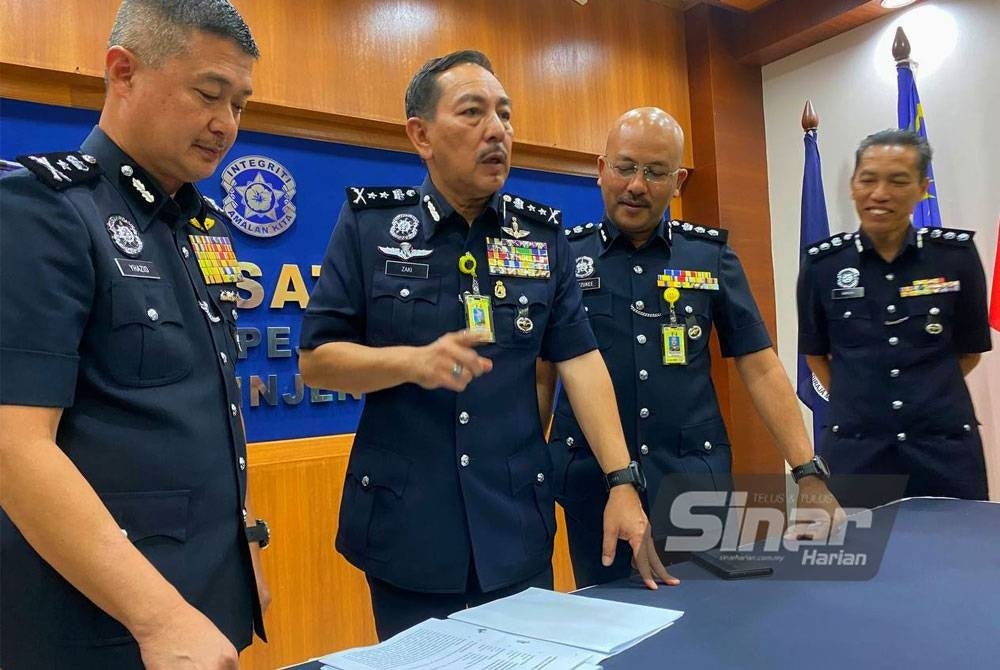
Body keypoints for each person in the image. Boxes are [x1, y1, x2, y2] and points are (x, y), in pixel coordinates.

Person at [298, 51, 666, 640]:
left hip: (514, 522)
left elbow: (580, 360)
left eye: (505, 115)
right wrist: (412, 362)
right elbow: (316, 362)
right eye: (472, 113)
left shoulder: (542, 237)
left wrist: (621, 481)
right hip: (407, 528)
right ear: (421, 134)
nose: (497, 130)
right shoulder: (370, 227)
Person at [0, 1, 269, 667]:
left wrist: (246, 546)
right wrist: (160, 618)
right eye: (209, 94)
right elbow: (13, 447)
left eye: (239, 103)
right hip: (99, 624)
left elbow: (207, 406)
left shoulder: (203, 229)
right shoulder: (41, 209)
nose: (225, 124)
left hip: (205, 603)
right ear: (122, 73)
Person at [538, 108, 841, 587]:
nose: (637, 184)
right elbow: (543, 374)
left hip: (691, 480)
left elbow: (759, 366)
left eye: (656, 172)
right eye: (625, 167)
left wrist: (806, 469)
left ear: (677, 181)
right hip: (591, 481)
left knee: (703, 617)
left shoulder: (709, 256)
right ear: (601, 170)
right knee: (607, 617)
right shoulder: (563, 257)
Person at [797, 128, 991, 507]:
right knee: (864, 559)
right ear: (853, 185)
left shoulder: (955, 257)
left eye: (898, 181)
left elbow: (971, 351)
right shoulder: (823, 265)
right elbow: (815, 355)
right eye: (868, 179)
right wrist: (866, 399)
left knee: (958, 558)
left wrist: (922, 394)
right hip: (858, 451)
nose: (880, 193)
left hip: (944, 448)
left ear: (922, 188)